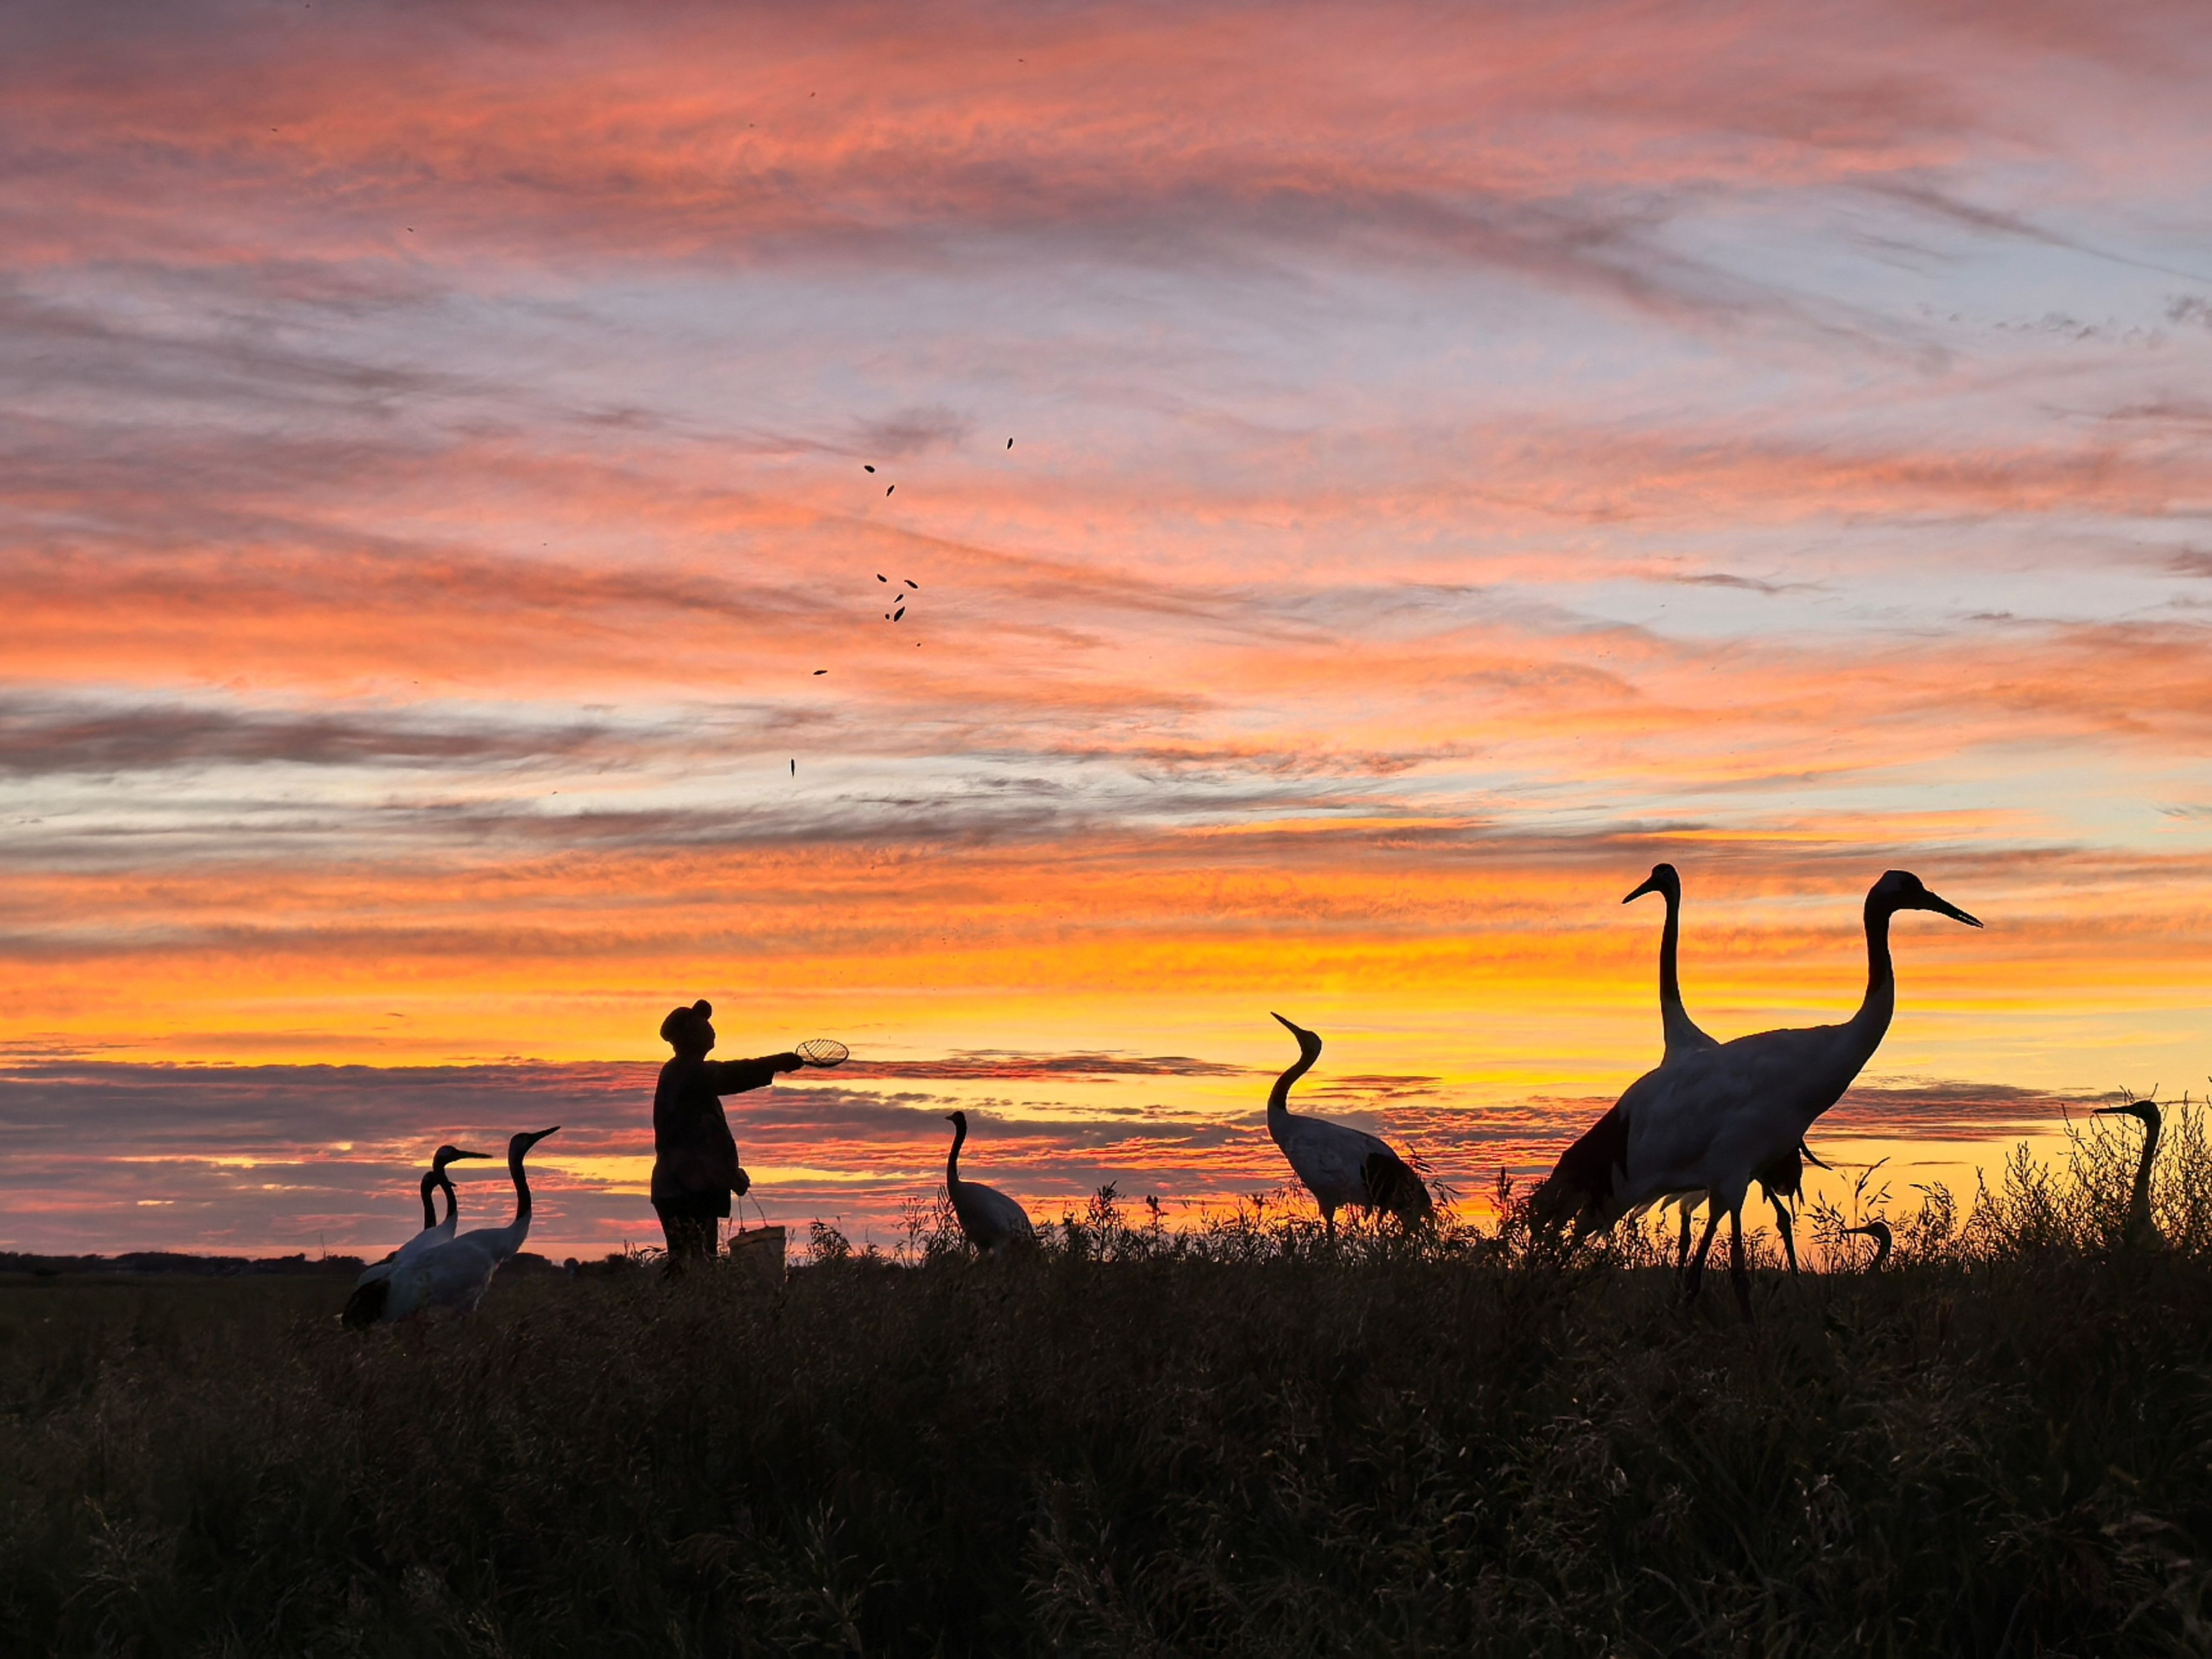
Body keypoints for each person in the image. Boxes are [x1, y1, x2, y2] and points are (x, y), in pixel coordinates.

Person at [652, 1000, 801, 1268]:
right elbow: (701, 1141)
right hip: (687, 1187)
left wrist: (729, 1174)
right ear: (689, 1036)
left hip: (684, 1186)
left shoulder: (684, 1075)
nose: (712, 1031)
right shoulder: (687, 1072)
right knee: (694, 1264)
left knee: (693, 1262)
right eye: (704, 1026)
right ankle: (685, 1307)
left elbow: (703, 1140)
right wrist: (776, 1062)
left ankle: (682, 1306)